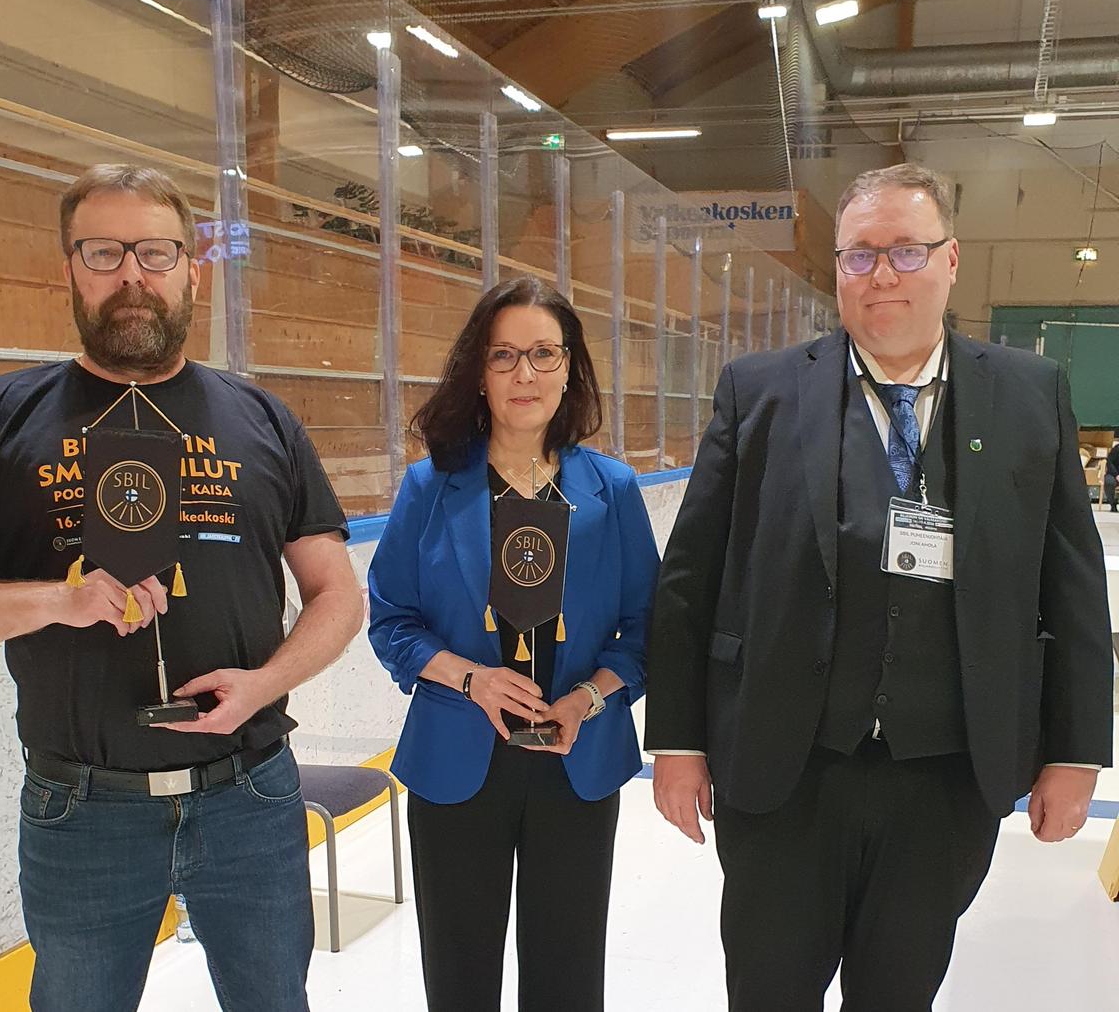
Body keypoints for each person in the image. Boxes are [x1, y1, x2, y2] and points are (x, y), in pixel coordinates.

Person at [644, 163, 1113, 1010]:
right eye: (859, 254)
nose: (882, 273)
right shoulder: (760, 391)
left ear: (952, 259)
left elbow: (1072, 587)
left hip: (945, 779)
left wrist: (1074, 754)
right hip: (782, 771)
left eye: (906, 250)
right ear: (837, 268)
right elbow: (690, 578)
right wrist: (675, 740)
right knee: (768, 992)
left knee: (899, 993)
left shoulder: (1027, 394)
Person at [0, 165, 363, 1011]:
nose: (132, 274)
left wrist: (267, 683)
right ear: (69, 269)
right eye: (104, 252)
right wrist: (58, 600)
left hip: (250, 793)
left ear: (191, 270)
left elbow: (337, 594)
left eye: (156, 252)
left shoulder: (263, 419)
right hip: (81, 808)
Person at [368, 277, 659, 1012]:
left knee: (567, 980)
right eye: (503, 356)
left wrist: (587, 697)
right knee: (459, 980)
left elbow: (645, 631)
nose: (524, 374)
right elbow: (392, 621)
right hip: (457, 759)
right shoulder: (429, 487)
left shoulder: (614, 490)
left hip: (576, 760)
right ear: (479, 372)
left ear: (570, 369)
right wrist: (474, 679)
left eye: (543, 354)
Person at [1103, 433, 1119, 511]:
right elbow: (1109, 462)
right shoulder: (1116, 449)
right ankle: (1112, 504)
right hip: (1114, 474)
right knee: (1109, 482)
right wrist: (1116, 475)